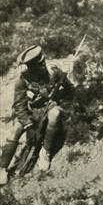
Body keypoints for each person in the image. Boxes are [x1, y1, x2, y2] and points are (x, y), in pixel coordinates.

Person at [0, 46, 74, 185]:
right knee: (15, 132)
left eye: (43, 60)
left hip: (47, 110)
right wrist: (28, 126)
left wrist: (57, 98)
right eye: (39, 64)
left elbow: (70, 91)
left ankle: (45, 152)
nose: (43, 65)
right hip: (28, 112)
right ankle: (2, 168)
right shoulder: (22, 81)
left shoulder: (54, 72)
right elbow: (20, 106)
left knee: (55, 113)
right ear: (30, 67)